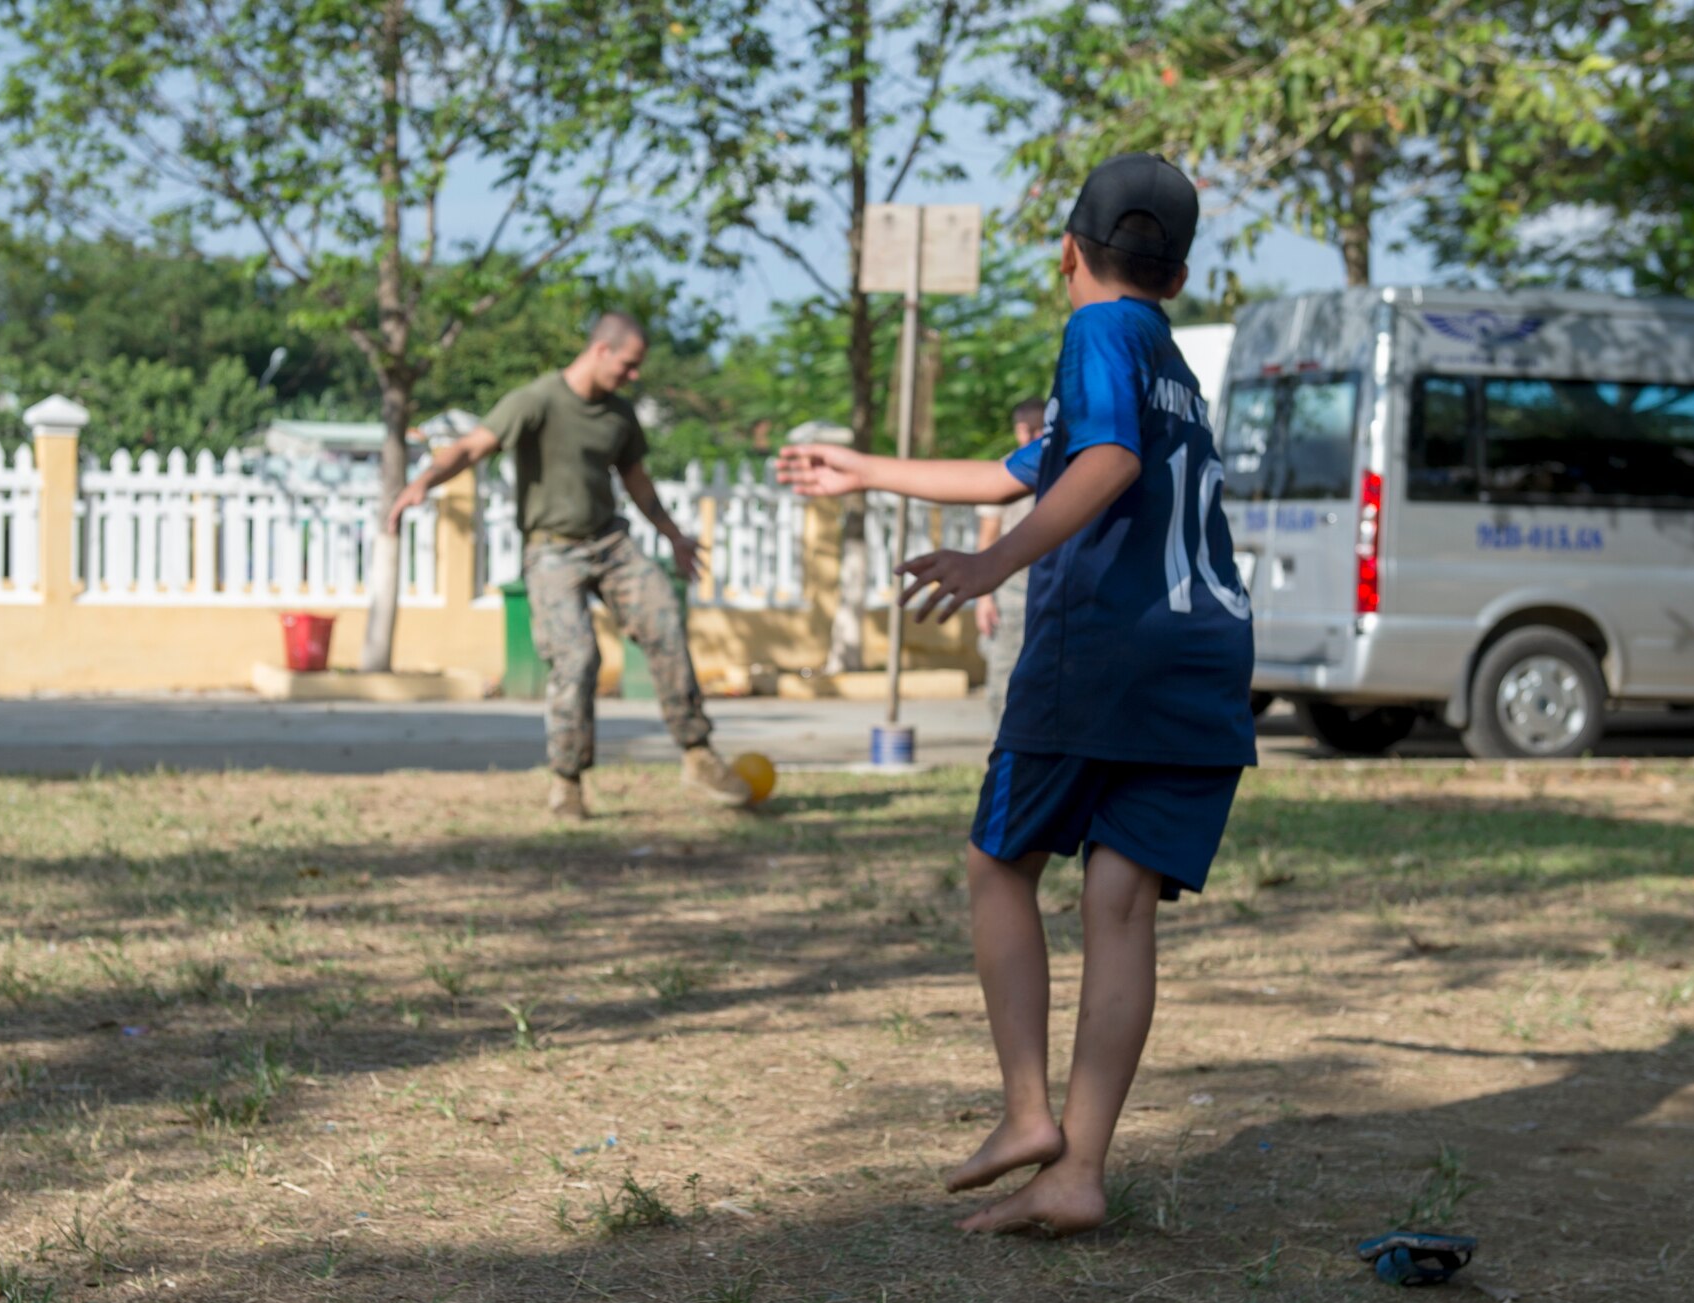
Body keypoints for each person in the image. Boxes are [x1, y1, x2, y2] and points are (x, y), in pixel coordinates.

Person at [777, 154, 1254, 1236]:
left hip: (1105, 653)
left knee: (998, 862)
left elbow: (1106, 464)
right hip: (1203, 659)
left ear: (1065, 252)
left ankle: (1027, 1114)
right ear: (1174, 276)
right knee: (1118, 903)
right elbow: (1028, 465)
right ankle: (1077, 1172)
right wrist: (863, 468)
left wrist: (994, 566)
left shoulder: (1096, 335)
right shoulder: (1163, 355)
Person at [388, 313, 751, 819]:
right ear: (601, 350)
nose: (633, 376)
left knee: (664, 617)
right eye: (628, 365)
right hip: (552, 549)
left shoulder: (619, 415)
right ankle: (567, 780)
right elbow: (473, 445)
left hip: (611, 542)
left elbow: (637, 481)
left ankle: (697, 752)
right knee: (577, 658)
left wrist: (674, 537)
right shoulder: (536, 401)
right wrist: (423, 482)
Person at [974, 398, 1048, 728]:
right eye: (1024, 429)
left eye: (1038, 428)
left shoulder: (1066, 468)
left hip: (1055, 584)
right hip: (1011, 587)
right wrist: (983, 598)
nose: (1031, 436)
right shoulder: (1005, 470)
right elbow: (987, 534)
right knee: (1003, 675)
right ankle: (1002, 751)